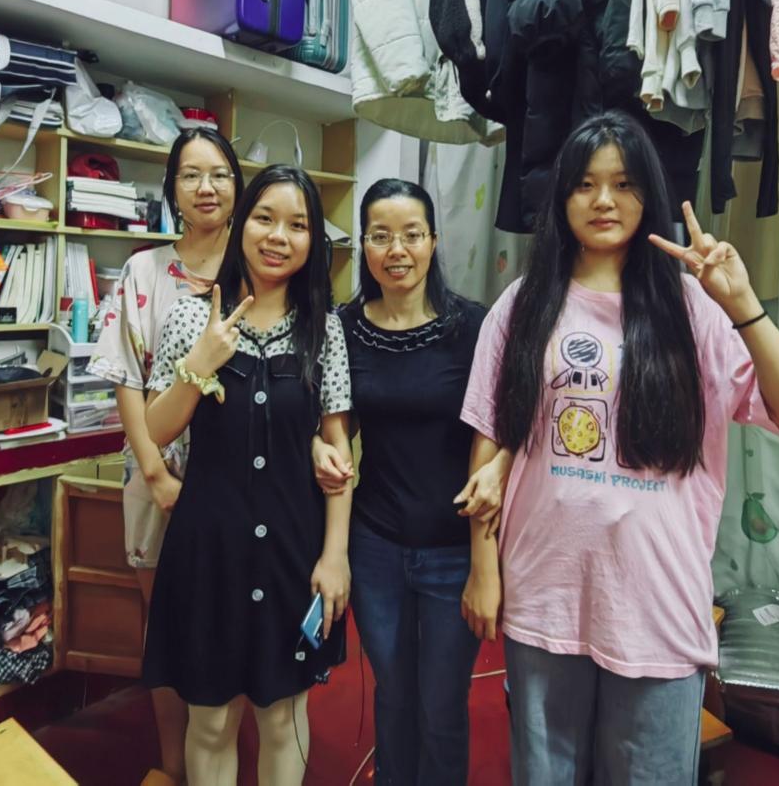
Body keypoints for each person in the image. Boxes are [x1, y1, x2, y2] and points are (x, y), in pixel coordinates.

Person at [457, 111, 779, 785]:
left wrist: (743, 304)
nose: (603, 200)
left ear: (648, 194)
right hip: (544, 591)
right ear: (561, 197)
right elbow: (491, 443)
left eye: (623, 183)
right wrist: (484, 568)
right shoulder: (520, 305)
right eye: (585, 184)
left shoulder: (693, 307)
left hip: (656, 603)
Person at [143, 165, 354, 786]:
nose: (278, 237)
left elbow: (338, 450)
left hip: (293, 548)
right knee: (210, 720)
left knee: (282, 716)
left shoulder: (324, 328)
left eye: (298, 225)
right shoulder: (192, 317)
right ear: (241, 225)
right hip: (209, 549)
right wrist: (200, 363)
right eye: (265, 218)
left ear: (313, 241)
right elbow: (157, 429)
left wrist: (335, 555)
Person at [312, 179, 487, 785]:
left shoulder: (473, 327)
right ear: (363, 245)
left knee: (442, 702)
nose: (397, 250)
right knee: (392, 688)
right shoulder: (341, 327)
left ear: (434, 241)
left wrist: (487, 561)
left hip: (452, 548)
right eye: (381, 236)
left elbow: (499, 435)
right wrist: (316, 445)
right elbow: (327, 423)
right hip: (376, 543)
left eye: (412, 235)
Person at [87, 126, 242, 785]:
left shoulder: (257, 260)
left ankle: (223, 753)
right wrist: (154, 471)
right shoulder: (143, 270)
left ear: (238, 185)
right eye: (190, 174)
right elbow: (124, 374)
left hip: (239, 476)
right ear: (172, 189)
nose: (206, 187)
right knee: (167, 627)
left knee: (234, 618)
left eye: (219, 173)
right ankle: (173, 764)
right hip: (162, 472)